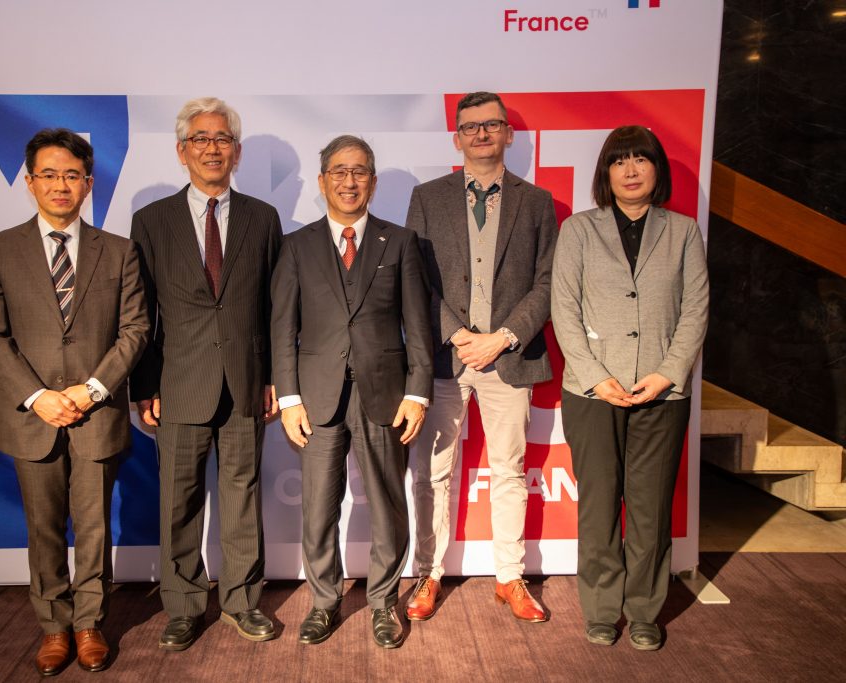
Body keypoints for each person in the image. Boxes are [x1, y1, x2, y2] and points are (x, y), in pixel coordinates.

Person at [0, 128, 150, 675]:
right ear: (29, 182)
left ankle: (88, 623)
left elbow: (135, 330)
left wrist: (91, 390)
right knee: (44, 525)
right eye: (49, 174)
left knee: (94, 526)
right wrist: (37, 397)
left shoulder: (119, 251)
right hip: (33, 415)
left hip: (95, 411)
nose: (60, 185)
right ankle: (53, 626)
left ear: (88, 184)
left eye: (72, 175)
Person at [129, 97, 283, 651]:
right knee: (179, 500)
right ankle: (185, 606)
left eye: (222, 139)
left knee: (243, 499)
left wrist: (273, 379)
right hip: (177, 385)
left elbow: (272, 306)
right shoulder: (151, 221)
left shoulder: (263, 219)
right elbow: (139, 311)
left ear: (236, 152)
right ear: (181, 151)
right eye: (201, 139)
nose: (212, 148)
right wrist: (144, 386)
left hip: (246, 383)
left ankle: (242, 602)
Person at [271, 135, 433, 648]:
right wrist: (290, 397)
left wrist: (419, 392)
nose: (349, 181)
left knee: (388, 504)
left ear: (373, 182)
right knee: (319, 507)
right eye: (339, 172)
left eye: (359, 171)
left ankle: (384, 603)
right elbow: (282, 327)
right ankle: (324, 602)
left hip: (385, 396)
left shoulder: (401, 242)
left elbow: (419, 326)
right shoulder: (296, 246)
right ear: (322, 182)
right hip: (316, 401)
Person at [551, 125, 708, 651]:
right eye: (621, 161)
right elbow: (564, 310)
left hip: (663, 394)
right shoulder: (578, 230)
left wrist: (669, 372)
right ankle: (599, 608)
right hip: (593, 392)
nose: (632, 170)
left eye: (642, 160)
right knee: (598, 505)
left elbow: (696, 310)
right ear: (606, 173)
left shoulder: (683, 231)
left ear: (657, 170)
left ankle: (643, 609)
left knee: (649, 508)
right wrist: (597, 376)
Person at [404, 92, 557, 622]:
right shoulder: (428, 197)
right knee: (431, 473)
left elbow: (547, 283)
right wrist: (456, 333)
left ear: (509, 134)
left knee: (509, 470)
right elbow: (416, 281)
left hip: (509, 358)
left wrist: (505, 336)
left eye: (492, 125)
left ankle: (510, 578)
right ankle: (427, 573)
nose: (481, 134)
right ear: (457, 138)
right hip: (446, 359)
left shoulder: (536, 202)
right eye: (470, 127)